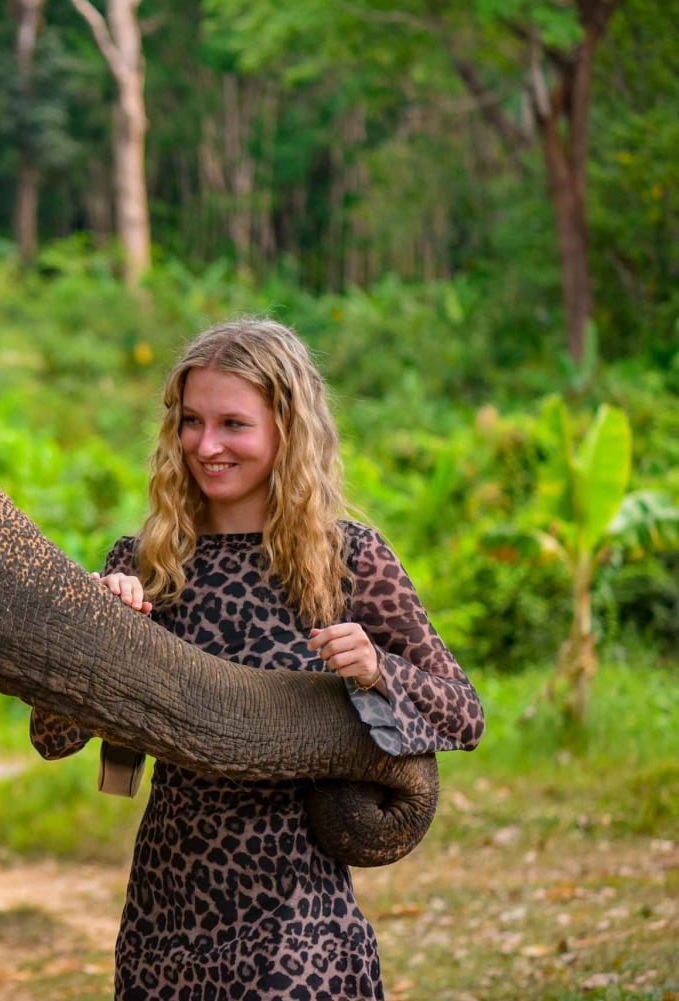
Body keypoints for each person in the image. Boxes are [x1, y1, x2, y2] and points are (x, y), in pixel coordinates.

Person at [30, 318, 484, 1000]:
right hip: (168, 919)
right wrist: (95, 635)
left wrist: (377, 669)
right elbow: (51, 736)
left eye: (233, 425)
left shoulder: (349, 560)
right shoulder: (145, 565)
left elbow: (465, 713)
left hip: (300, 923)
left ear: (287, 428)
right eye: (191, 421)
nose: (205, 445)